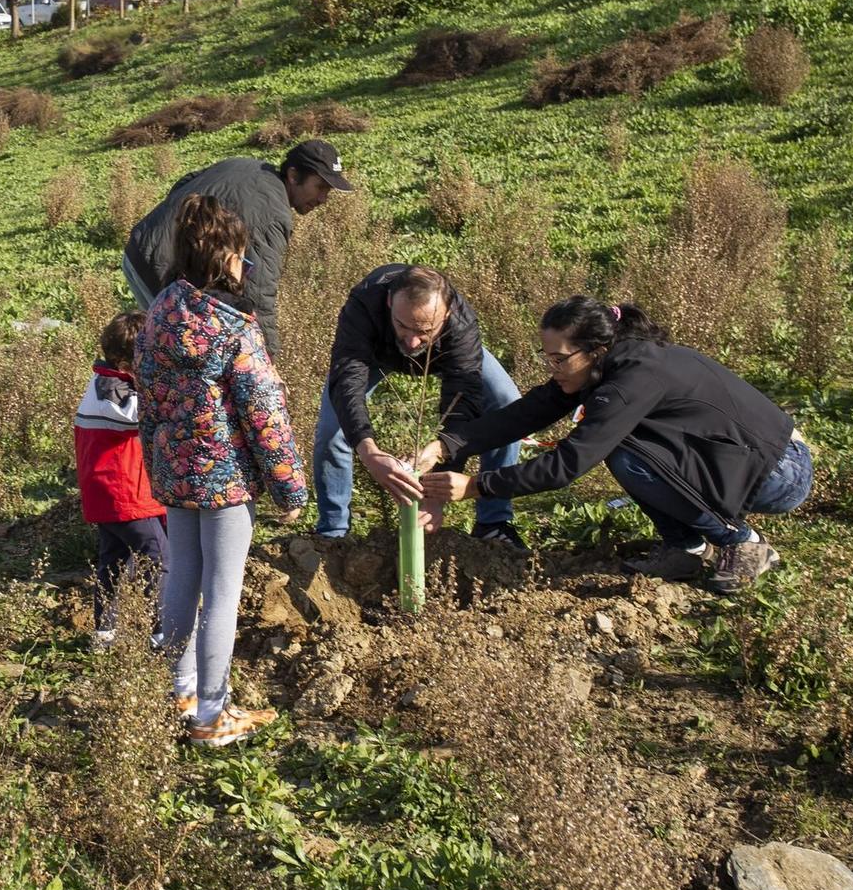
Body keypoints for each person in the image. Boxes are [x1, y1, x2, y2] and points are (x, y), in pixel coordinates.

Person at [415, 296, 812, 595]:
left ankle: (742, 543)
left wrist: (476, 487)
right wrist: (446, 446)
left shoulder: (633, 379)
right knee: (631, 448)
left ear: (595, 351)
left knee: (627, 451)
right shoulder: (611, 364)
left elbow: (569, 464)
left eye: (559, 360)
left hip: (779, 475)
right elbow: (529, 412)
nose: (552, 369)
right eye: (547, 358)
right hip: (743, 461)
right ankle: (686, 549)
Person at [139, 195, 307, 747]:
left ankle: (181, 689)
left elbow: (149, 397)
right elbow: (265, 413)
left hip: (174, 472)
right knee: (224, 592)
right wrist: (290, 488)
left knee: (183, 575)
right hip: (226, 480)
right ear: (227, 257)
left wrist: (157, 461)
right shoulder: (233, 328)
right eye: (242, 255)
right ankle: (212, 717)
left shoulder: (160, 312)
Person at [313, 265, 526, 547]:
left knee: (506, 404)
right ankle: (333, 532)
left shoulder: (460, 325)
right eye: (402, 325)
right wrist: (368, 451)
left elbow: (461, 403)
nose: (412, 341)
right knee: (333, 429)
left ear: (446, 315)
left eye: (424, 330)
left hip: (444, 356)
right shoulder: (363, 306)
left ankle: (493, 522)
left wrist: (435, 488)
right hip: (375, 356)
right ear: (389, 302)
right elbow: (348, 382)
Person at [123, 139, 353, 361]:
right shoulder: (272, 213)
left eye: (328, 190)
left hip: (139, 246)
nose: (324, 198)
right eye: (320, 186)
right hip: (160, 266)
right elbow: (260, 291)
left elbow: (186, 183)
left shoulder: (247, 165)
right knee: (189, 355)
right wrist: (266, 357)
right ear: (293, 175)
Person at [74, 310, 165, 651]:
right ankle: (164, 632)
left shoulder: (103, 382)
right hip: (126, 495)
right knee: (159, 558)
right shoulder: (114, 391)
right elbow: (140, 417)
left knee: (112, 560)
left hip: (105, 494)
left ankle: (105, 631)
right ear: (133, 361)